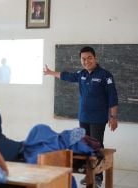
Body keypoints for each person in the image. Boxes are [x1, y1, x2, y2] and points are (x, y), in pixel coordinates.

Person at [43, 46, 118, 187]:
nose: (86, 61)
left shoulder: (105, 75)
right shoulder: (81, 74)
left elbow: (113, 97)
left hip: (98, 118)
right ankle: (89, 174)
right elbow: (66, 76)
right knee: (85, 146)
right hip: (83, 117)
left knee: (96, 146)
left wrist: (113, 117)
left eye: (89, 58)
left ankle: (98, 176)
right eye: (83, 59)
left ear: (95, 58)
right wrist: (50, 72)